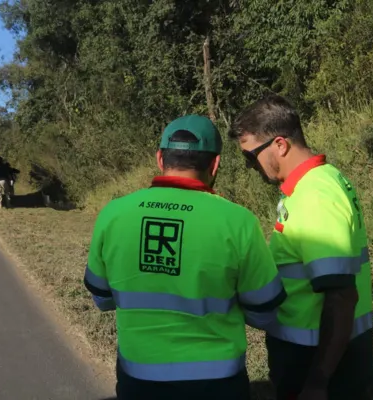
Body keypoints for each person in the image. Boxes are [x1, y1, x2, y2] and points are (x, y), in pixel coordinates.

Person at [84, 115, 287, 400]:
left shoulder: (113, 214)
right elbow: (264, 312)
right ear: (215, 164)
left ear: (159, 158)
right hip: (217, 383)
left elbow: (102, 299)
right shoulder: (238, 221)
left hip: (139, 380)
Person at [229, 93, 373, 400]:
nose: (249, 166)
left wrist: (317, 382)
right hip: (326, 356)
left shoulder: (315, 196)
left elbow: (341, 295)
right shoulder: (318, 182)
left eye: (250, 155)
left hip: (320, 364)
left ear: (279, 145)